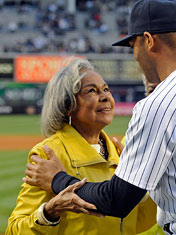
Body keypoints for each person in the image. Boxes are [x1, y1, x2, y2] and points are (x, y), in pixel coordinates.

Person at [24, 0, 176, 234]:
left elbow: (117, 200)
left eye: (133, 47)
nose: (136, 56)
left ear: (148, 41)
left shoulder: (164, 99)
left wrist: (57, 179)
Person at [6, 58, 156, 235]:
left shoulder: (117, 152)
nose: (105, 96)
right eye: (91, 91)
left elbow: (132, 221)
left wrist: (157, 187)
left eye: (106, 89)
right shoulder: (50, 154)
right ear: (67, 105)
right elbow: (14, 230)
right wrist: (49, 213)